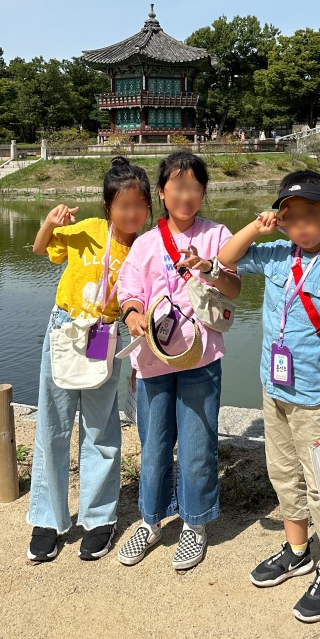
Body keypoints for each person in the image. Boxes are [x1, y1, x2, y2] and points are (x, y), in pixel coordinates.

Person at [218, 170, 320, 623]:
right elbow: (225, 259)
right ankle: (298, 549)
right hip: (275, 390)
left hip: (319, 400)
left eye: (312, 215)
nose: (303, 225)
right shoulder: (276, 255)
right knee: (283, 474)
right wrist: (257, 226)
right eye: (292, 217)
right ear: (282, 220)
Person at [116, 152, 241, 571]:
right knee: (152, 446)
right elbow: (129, 289)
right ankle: (150, 520)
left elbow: (234, 287)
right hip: (153, 358)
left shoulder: (217, 234)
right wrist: (133, 314)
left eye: (194, 187)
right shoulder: (147, 243)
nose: (185, 195)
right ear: (162, 193)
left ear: (203, 192)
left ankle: (194, 523)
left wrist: (208, 268)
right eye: (177, 187)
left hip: (200, 357)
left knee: (196, 446)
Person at [27, 157, 152, 563]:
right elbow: (41, 248)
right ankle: (48, 517)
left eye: (139, 205)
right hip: (66, 328)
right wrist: (50, 221)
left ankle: (99, 517)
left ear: (149, 206)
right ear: (107, 206)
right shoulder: (90, 231)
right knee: (54, 423)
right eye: (123, 205)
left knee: (100, 427)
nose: (131, 214)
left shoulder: (148, 246)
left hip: (107, 335)